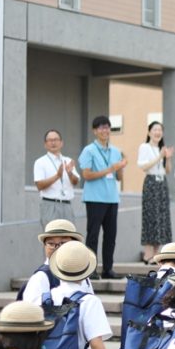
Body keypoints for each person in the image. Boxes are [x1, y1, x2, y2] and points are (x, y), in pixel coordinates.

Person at [78, 115, 127, 280]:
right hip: (94, 198)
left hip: (112, 198)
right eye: (101, 128)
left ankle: (108, 268)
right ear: (94, 131)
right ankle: (90, 269)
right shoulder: (89, 150)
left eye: (107, 127)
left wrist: (120, 167)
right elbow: (86, 175)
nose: (104, 130)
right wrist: (110, 168)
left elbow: (119, 177)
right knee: (93, 235)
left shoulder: (115, 151)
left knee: (111, 236)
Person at [19, 219, 86, 305]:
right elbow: (31, 312)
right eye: (51, 243)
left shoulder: (81, 272)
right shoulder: (41, 277)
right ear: (44, 246)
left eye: (63, 243)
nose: (57, 248)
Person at [138, 121, 175, 264]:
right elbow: (143, 166)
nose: (157, 132)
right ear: (149, 132)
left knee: (162, 218)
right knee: (150, 217)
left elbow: (167, 171)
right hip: (151, 183)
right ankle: (148, 254)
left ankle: (157, 254)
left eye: (160, 130)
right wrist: (160, 156)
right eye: (155, 129)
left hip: (162, 183)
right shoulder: (145, 147)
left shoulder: (162, 148)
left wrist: (168, 158)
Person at [33, 129, 79, 227]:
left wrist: (70, 173)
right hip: (50, 204)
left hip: (67, 205)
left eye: (56, 139)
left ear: (61, 143)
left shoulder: (68, 160)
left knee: (69, 238)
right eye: (50, 140)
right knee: (52, 238)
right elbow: (39, 185)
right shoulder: (40, 162)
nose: (53, 142)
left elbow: (75, 182)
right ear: (45, 144)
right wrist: (57, 176)